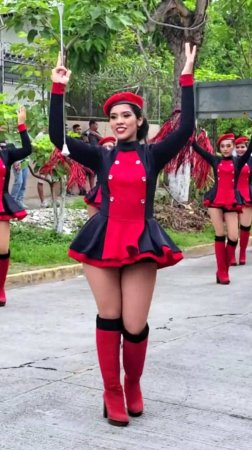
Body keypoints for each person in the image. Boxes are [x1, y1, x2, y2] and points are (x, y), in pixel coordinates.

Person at [49, 43, 196, 427]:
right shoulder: (102, 155)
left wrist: (187, 80)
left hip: (141, 240)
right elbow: (57, 139)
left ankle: (133, 384)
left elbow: (186, 129)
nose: (118, 120)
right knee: (109, 317)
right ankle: (111, 391)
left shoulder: (155, 154)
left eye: (125, 115)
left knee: (134, 324)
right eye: (113, 116)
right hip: (102, 237)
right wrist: (58, 88)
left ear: (138, 119)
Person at [192, 133, 252, 285]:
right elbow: (198, 149)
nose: (225, 149)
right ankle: (223, 271)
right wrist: (190, 138)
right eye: (222, 146)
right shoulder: (215, 160)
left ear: (232, 147)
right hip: (215, 201)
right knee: (220, 235)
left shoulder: (239, 161)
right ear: (219, 148)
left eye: (228, 146)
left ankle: (222, 268)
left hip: (231, 201)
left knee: (233, 237)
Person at [0, 106, 32, 307]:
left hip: (0, 204)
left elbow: (27, 150)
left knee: (2, 248)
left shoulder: (5, 153)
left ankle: (0, 287)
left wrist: (22, 125)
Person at [230, 136, 252, 265]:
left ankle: (242, 252)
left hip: (247, 195)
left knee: (245, 227)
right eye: (237, 147)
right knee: (233, 227)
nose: (240, 149)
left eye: (242, 147)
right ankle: (232, 254)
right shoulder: (230, 160)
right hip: (232, 196)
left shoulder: (250, 160)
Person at [84, 136, 116, 217]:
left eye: (110, 146)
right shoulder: (98, 159)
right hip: (101, 191)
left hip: (117, 192)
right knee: (94, 221)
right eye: (105, 147)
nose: (108, 149)